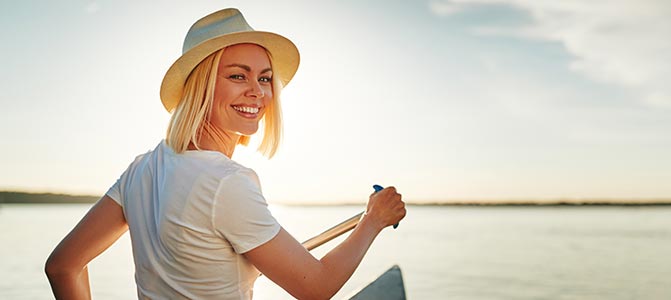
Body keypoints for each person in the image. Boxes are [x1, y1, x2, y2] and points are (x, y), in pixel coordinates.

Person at [45, 8, 406, 300]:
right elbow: (316, 287)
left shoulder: (141, 169)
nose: (258, 92)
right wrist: (373, 220)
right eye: (238, 76)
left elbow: (63, 266)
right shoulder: (226, 182)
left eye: (265, 79)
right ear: (201, 85)